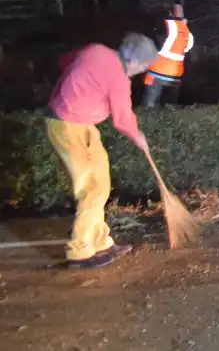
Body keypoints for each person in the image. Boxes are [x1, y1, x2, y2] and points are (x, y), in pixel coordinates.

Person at [45, 33, 157, 269]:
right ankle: (80, 252)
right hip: (68, 125)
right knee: (92, 188)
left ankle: (100, 242)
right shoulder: (118, 77)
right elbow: (122, 118)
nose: (142, 71)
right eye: (144, 66)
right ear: (136, 62)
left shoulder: (95, 50)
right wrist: (139, 137)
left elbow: (65, 61)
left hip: (79, 123)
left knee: (101, 183)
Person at [143, 4, 194, 108]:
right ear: (183, 15)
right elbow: (187, 50)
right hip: (175, 77)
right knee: (169, 108)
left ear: (170, 13)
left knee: (148, 107)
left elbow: (153, 42)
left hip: (156, 73)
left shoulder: (165, 24)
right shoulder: (188, 33)